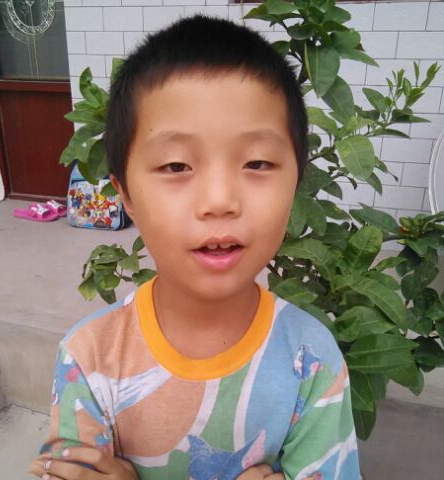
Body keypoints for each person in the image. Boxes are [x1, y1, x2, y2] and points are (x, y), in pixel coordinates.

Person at [29, 13, 360, 480]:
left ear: (295, 184)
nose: (219, 200)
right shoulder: (88, 359)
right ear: (126, 195)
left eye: (257, 163)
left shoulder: (311, 361)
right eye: (176, 166)